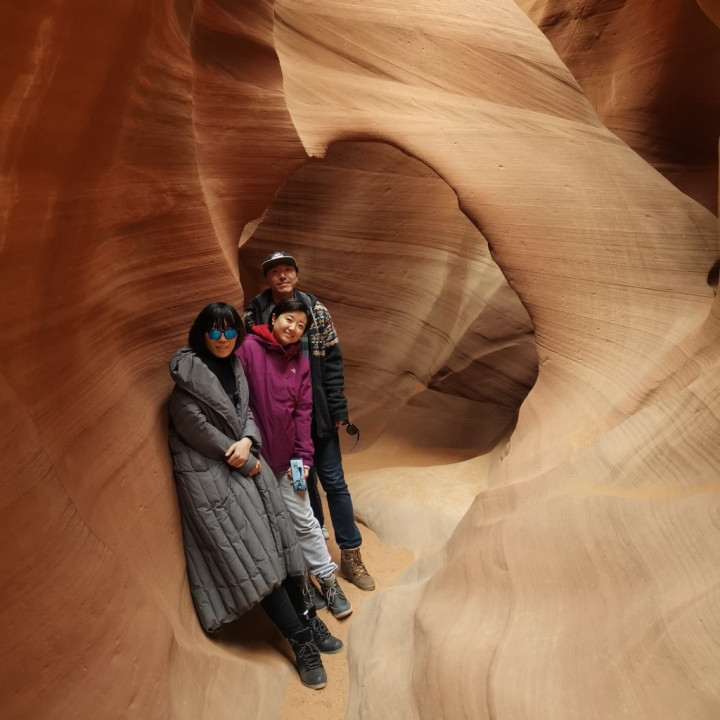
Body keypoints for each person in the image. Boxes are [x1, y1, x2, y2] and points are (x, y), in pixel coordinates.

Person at [167, 302, 342, 690]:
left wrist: (249, 439)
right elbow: (197, 429)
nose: (223, 339)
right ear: (202, 333)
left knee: (282, 546)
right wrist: (245, 457)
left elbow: (246, 412)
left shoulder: (233, 367)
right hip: (214, 481)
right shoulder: (188, 380)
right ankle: (300, 641)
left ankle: (309, 620)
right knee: (257, 560)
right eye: (215, 331)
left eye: (230, 331)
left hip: (247, 467)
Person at [244, 251, 375, 592]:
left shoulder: (317, 311)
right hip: (279, 426)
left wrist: (337, 410)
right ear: (267, 278)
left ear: (297, 275)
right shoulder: (253, 312)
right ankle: (315, 557)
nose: (282, 275)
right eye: (275, 271)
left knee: (334, 482)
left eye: (288, 269)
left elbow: (332, 361)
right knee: (303, 485)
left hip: (316, 416)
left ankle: (351, 555)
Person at [235, 298, 353, 618]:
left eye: (301, 326)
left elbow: (303, 414)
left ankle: (328, 580)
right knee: (272, 526)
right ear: (273, 317)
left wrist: (303, 459)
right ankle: (301, 584)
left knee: (304, 518)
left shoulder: (300, 363)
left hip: (292, 460)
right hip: (256, 461)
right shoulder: (248, 348)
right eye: (289, 320)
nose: (293, 328)